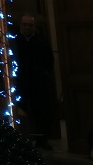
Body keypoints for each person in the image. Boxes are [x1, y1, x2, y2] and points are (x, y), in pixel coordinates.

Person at [12, 13, 55, 149]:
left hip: (38, 82)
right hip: (20, 82)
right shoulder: (15, 41)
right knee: (20, 111)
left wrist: (45, 73)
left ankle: (42, 140)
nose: (27, 27)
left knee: (41, 111)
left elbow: (49, 59)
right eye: (25, 24)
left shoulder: (41, 41)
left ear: (34, 27)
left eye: (30, 25)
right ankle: (21, 139)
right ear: (20, 25)